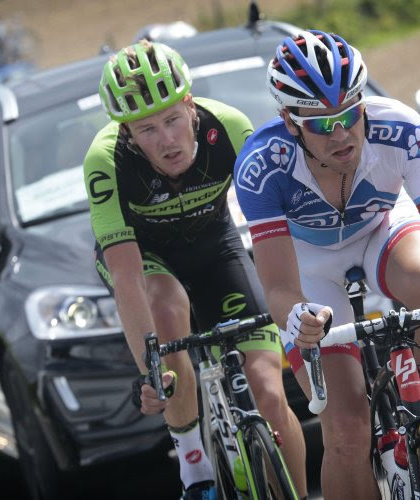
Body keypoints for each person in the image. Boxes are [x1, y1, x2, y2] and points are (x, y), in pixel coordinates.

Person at [233, 30, 420, 499]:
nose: (341, 134)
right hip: (310, 268)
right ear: (289, 121)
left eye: (350, 114)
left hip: (382, 231)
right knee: (346, 433)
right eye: (321, 125)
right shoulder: (263, 165)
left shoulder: (401, 128)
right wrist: (299, 318)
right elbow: (280, 286)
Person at [83, 40, 307, 499]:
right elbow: (126, 276)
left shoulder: (229, 127)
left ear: (191, 105)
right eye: (146, 130)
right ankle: (194, 466)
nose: (166, 140)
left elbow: (280, 223)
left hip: (214, 247)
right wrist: (149, 371)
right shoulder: (106, 162)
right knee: (167, 305)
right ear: (126, 132)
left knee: (268, 392)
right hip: (146, 259)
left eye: (172, 120)